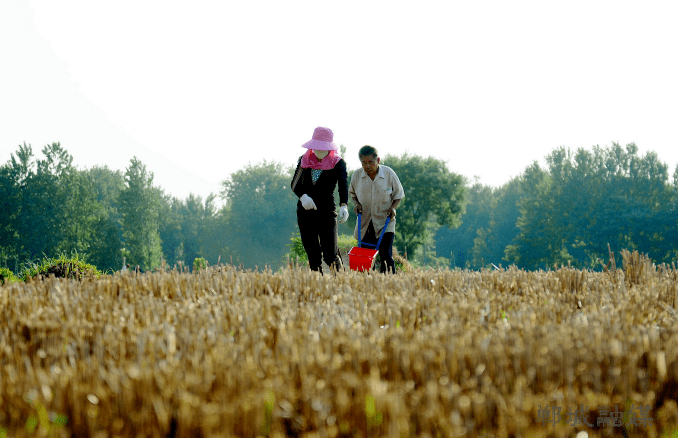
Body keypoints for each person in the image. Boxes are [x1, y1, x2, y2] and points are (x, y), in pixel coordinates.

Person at [291, 127, 349, 273]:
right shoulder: (303, 161)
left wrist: (344, 205)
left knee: (330, 254)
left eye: (323, 148)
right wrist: (303, 196)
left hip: (327, 212)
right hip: (306, 213)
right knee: (313, 254)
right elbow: (295, 184)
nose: (320, 151)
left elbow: (343, 185)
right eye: (317, 147)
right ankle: (318, 285)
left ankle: (339, 281)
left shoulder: (338, 163)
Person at [349, 145, 404, 274]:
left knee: (385, 253)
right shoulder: (357, 176)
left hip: (386, 221)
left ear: (378, 160)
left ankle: (390, 282)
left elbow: (398, 194)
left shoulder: (388, 174)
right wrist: (356, 205)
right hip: (366, 222)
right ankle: (368, 285)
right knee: (366, 255)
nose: (367, 166)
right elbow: (352, 194)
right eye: (364, 163)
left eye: (370, 162)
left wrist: (393, 208)